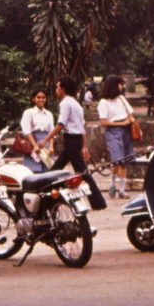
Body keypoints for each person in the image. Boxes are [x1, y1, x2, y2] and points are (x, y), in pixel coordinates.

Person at [39, 76, 108, 210]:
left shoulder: (65, 103)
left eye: (58, 87)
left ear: (63, 89)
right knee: (66, 169)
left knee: (77, 171)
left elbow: (60, 124)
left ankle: (47, 200)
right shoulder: (76, 104)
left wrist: (46, 140)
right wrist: (84, 146)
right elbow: (82, 127)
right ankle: (97, 202)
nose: (56, 89)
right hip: (75, 140)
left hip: (71, 139)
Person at [98, 75, 136, 199]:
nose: (122, 87)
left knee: (124, 161)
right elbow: (103, 122)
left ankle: (122, 189)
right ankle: (113, 183)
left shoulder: (121, 99)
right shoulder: (104, 102)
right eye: (120, 84)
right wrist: (121, 123)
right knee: (117, 160)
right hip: (113, 131)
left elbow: (130, 112)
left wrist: (129, 119)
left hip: (126, 130)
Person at [20, 89, 54, 173]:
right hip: (33, 141)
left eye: (43, 97)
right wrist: (35, 145)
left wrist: (51, 146)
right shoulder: (28, 113)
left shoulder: (49, 114)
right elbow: (27, 131)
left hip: (46, 142)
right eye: (38, 97)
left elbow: (52, 132)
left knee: (49, 170)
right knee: (33, 171)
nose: (41, 99)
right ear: (33, 99)